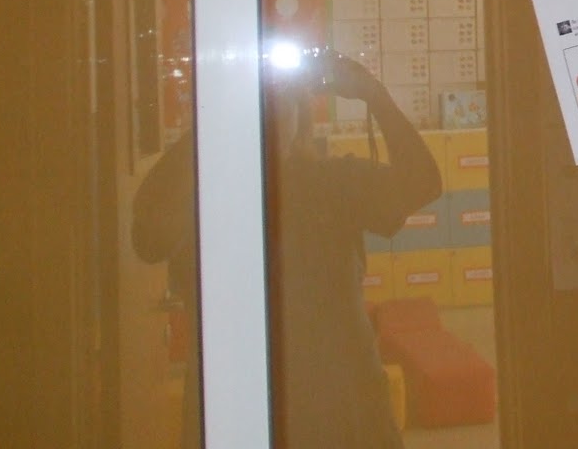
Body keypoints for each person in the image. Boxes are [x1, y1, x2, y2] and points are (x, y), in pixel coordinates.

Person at [134, 50, 442, 448]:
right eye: (258, 106)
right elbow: (147, 239)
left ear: (300, 119)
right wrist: (214, 122)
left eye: (283, 102)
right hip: (250, 402)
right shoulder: (202, 189)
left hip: (337, 404)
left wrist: (375, 96)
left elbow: (421, 183)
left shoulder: (328, 183)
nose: (271, 116)